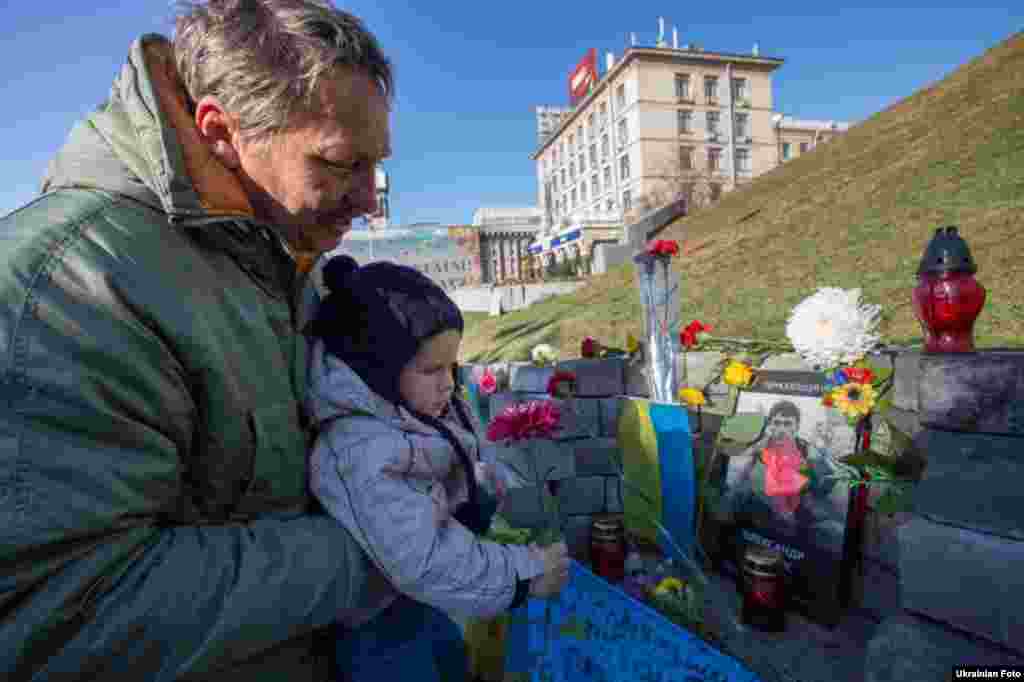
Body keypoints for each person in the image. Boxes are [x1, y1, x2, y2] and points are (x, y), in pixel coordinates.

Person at [1, 2, 399, 679]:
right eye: (339, 163)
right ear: (221, 131)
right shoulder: (71, 282)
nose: (369, 198)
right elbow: (57, 612)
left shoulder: (278, 256)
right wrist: (386, 548)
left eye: (376, 165)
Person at [307, 255, 570, 682]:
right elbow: (423, 559)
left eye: (451, 365)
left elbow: (455, 458)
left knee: (451, 659)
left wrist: (486, 483)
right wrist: (524, 573)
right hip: (379, 631)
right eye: (431, 368)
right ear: (376, 370)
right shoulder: (361, 448)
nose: (448, 382)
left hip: (421, 602)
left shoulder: (412, 408)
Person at [723, 400, 847, 548]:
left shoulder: (807, 450)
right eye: (777, 423)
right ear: (770, 425)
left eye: (787, 424)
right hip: (760, 513)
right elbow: (739, 481)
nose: (781, 429)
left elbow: (825, 487)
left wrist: (813, 464)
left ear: (797, 427)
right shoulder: (760, 447)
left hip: (797, 518)